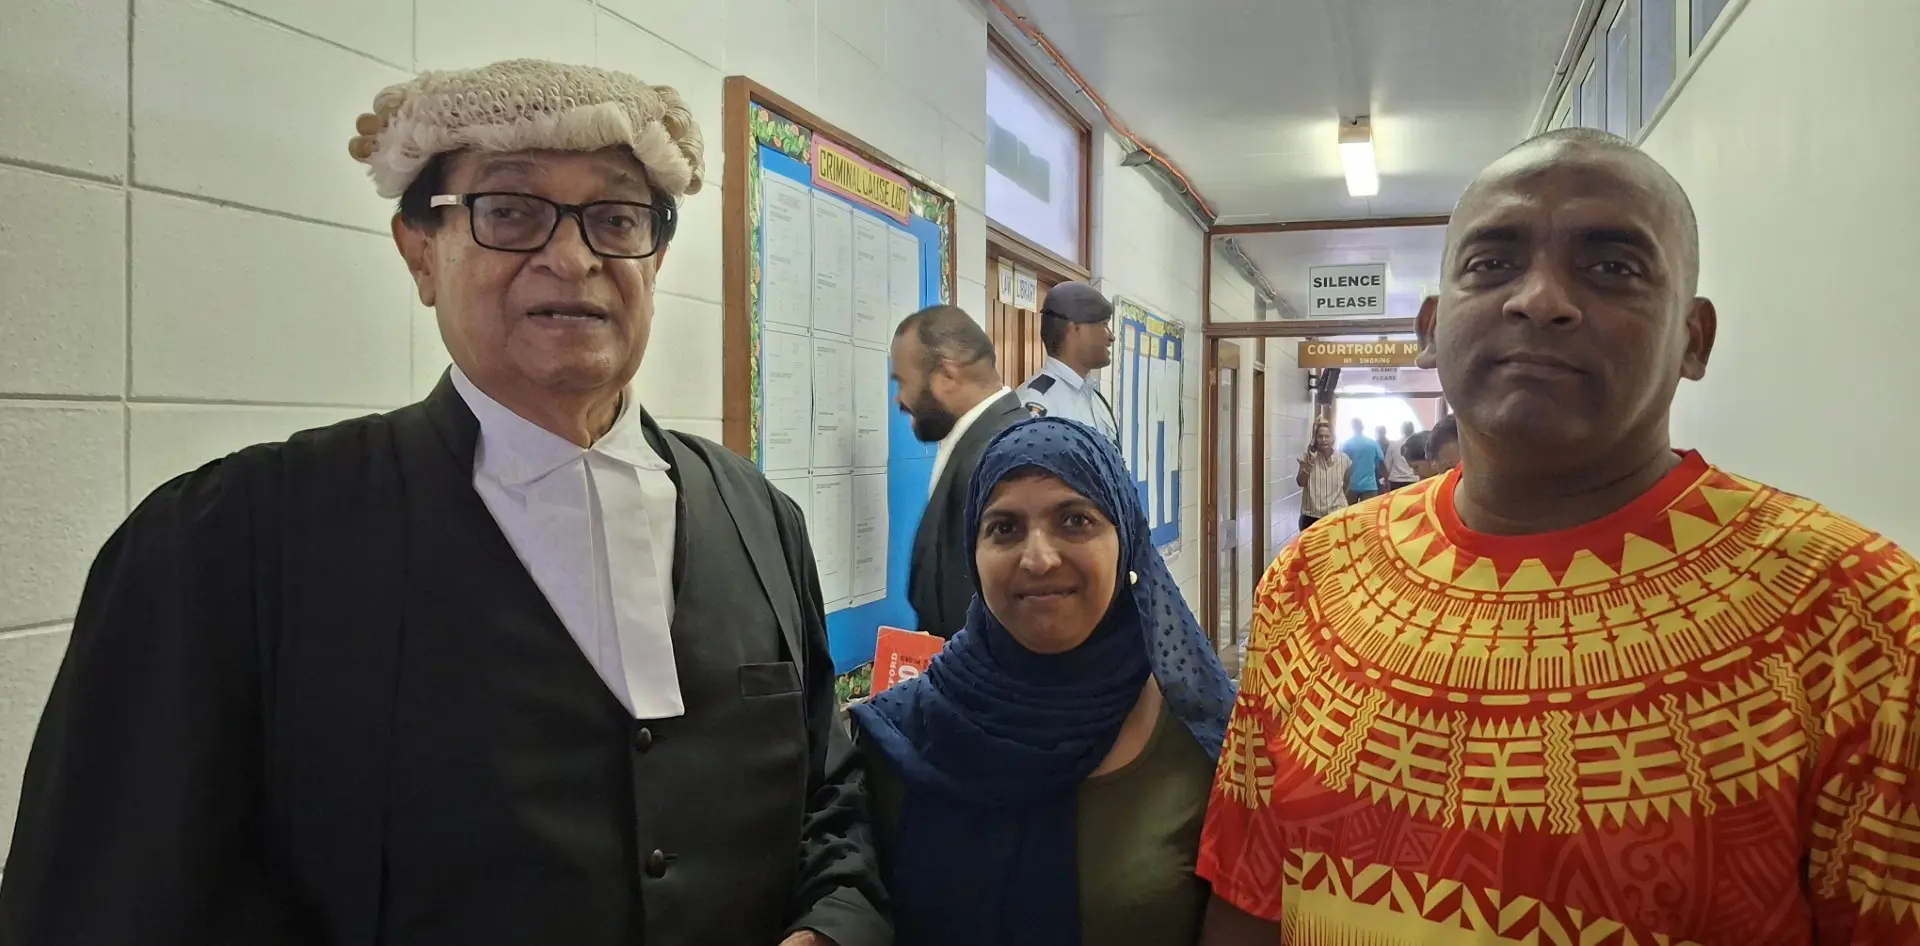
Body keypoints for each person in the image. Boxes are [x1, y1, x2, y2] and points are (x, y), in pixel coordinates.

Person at [0, 59, 886, 946]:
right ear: (420, 253)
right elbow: (103, 898)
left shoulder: (760, 519)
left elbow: (830, 809)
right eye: (510, 212)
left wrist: (827, 933)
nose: (572, 256)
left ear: (654, 259)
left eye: (616, 218)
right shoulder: (232, 542)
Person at [1196, 127, 1920, 945]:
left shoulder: (1865, 623)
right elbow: (1250, 892)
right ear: (1432, 329)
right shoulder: (1316, 582)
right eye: (1492, 263)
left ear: (1694, 339)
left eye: (1612, 267)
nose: (1539, 298)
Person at [852, 418, 1236, 946]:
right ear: (974, 551)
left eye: (1075, 521)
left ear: (1125, 541)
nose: (1038, 558)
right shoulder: (897, 740)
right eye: (1004, 528)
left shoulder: (1207, 742)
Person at [891, 304, 1027, 638]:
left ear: (947, 375)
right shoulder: (978, 440)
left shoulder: (998, 456)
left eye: (902, 382)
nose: (899, 400)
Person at [1016, 281, 1119, 440]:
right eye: (1104, 324)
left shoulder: (1094, 398)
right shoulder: (1036, 402)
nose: (1111, 336)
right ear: (1075, 328)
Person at [1294, 420, 1350, 531]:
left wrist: (1339, 500)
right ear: (1315, 439)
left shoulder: (1344, 459)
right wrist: (1310, 462)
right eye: (1320, 436)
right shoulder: (1306, 456)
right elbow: (1301, 482)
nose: (1324, 440)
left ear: (1333, 438)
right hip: (1311, 515)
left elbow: (1348, 481)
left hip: (1336, 514)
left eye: (1327, 436)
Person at [1338, 417, 1385, 500]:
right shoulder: (1373, 443)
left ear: (1352, 428)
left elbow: (1341, 463)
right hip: (1369, 485)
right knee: (1368, 511)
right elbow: (1381, 460)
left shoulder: (1347, 444)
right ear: (1362, 427)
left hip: (1351, 485)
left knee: (1349, 511)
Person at [1383, 420, 1420, 491]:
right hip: (1413, 480)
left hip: (1396, 481)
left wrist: (1386, 481)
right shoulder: (1418, 444)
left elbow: (1387, 465)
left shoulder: (1393, 445)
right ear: (1413, 429)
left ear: (1402, 430)